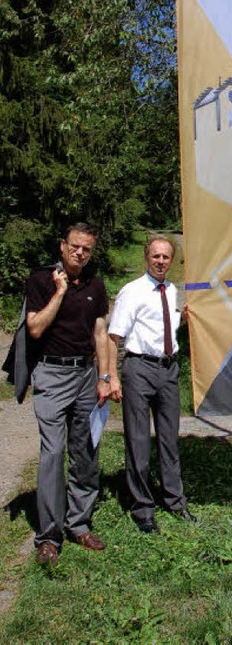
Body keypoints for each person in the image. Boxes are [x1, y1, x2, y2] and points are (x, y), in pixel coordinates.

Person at [26, 222, 113, 567]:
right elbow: (34, 327)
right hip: (51, 372)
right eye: (75, 246)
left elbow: (100, 332)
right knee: (52, 453)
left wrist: (105, 377)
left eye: (86, 249)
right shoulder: (41, 280)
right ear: (62, 246)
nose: (80, 253)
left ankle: (78, 524)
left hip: (85, 375)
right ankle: (48, 536)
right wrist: (59, 293)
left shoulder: (96, 285)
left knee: (87, 449)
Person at [107, 236, 194, 533]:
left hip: (169, 370)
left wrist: (186, 318)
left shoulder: (171, 291)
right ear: (147, 257)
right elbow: (114, 336)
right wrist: (112, 376)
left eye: (166, 257)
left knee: (170, 440)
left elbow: (168, 327)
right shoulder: (131, 291)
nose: (160, 261)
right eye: (155, 256)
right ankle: (143, 508)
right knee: (139, 441)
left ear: (172, 261)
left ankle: (175, 501)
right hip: (139, 368)